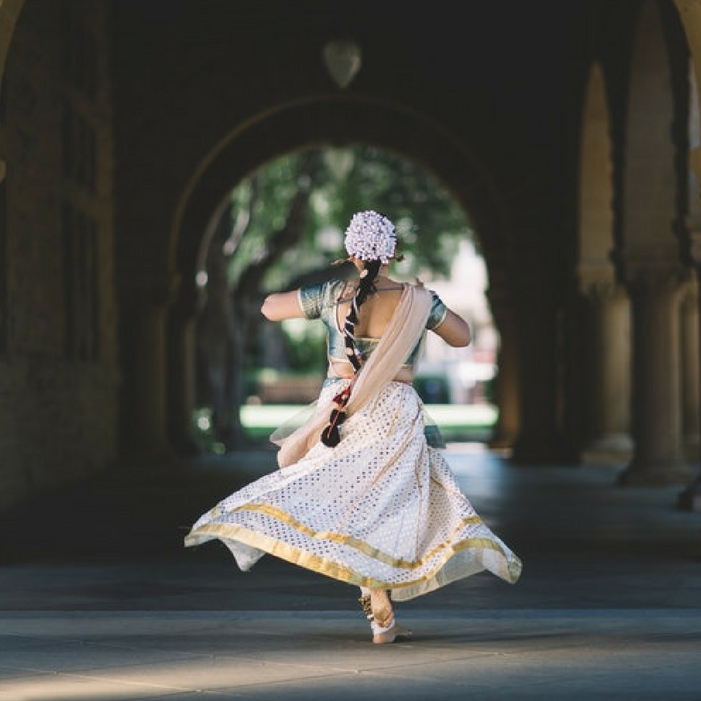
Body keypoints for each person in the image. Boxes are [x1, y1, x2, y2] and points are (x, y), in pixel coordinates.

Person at [184, 210, 522, 644]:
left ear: (350, 253)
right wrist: (427, 304)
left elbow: (268, 308)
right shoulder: (417, 300)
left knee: (347, 502)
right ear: (395, 253)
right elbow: (462, 337)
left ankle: (378, 609)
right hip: (394, 413)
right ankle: (382, 610)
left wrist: (320, 294)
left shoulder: (334, 295)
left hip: (339, 412)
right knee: (388, 506)